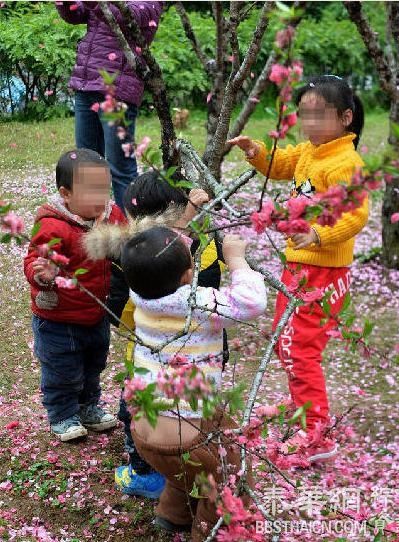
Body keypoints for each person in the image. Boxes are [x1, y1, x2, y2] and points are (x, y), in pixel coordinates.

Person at [228, 75, 369, 462]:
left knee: (299, 348)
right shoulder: (312, 150)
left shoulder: (345, 162)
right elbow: (283, 163)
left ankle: (318, 436)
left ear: (344, 117)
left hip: (321, 272)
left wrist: (320, 235)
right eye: (303, 114)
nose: (308, 123)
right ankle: (305, 406)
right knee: (286, 341)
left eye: (318, 115)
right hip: (300, 266)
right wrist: (256, 151)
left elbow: (356, 215)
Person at [83, 172, 227, 499]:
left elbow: (119, 311)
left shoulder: (134, 257)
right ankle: (189, 463)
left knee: (136, 409)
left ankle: (146, 473)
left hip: (150, 355)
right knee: (194, 411)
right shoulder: (206, 243)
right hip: (205, 354)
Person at [120, 226, 267, 540]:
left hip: (145, 426)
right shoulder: (197, 303)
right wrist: (237, 260)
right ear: (188, 275)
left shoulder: (141, 294)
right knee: (229, 475)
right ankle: (213, 533)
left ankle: (173, 515)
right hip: (186, 432)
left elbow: (160, 258)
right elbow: (252, 303)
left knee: (185, 469)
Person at [24, 149, 126, 441]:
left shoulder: (110, 216)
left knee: (94, 363)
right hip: (59, 317)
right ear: (65, 194)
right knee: (62, 368)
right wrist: (43, 274)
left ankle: (88, 406)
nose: (100, 198)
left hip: (95, 312)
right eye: (91, 191)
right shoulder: (53, 225)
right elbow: (34, 261)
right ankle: (62, 414)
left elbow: (125, 243)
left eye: (104, 190)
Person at [56, 1, 163, 211]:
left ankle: (130, 229)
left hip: (119, 88)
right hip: (87, 83)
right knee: (87, 164)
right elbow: (75, 14)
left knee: (120, 168)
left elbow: (125, 17)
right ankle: (94, 225)